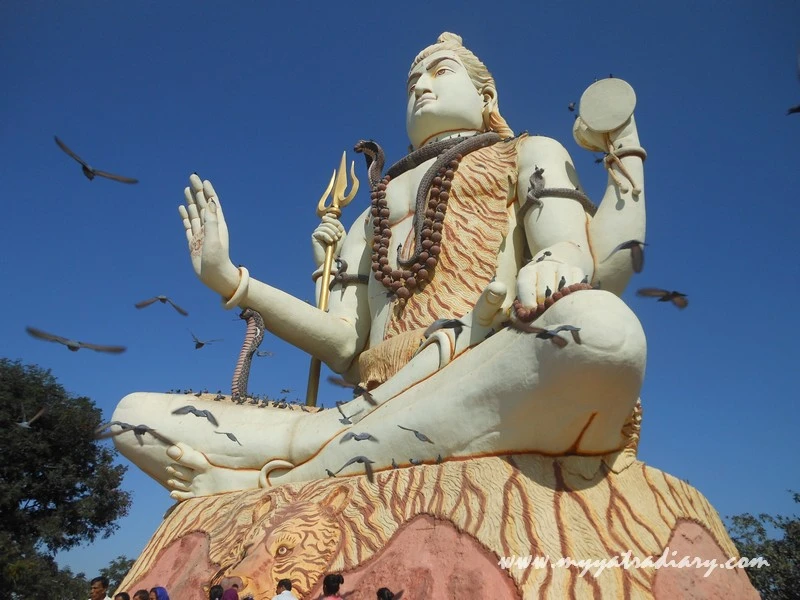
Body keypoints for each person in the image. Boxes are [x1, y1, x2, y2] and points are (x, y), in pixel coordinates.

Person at [112, 31, 648, 500]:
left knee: (599, 331)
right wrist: (231, 279)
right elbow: (347, 346)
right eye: (412, 80)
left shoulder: (528, 152)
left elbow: (585, 260)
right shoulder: (371, 215)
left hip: (480, 367)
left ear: (487, 96)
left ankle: (279, 482)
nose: (421, 87)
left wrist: (558, 257)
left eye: (440, 72)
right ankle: (338, 454)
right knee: (134, 419)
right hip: (368, 407)